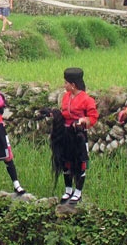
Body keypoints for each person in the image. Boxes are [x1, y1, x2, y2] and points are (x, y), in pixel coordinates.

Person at [51, 68, 99, 205]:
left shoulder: (87, 100)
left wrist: (83, 120)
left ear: (73, 85)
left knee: (80, 163)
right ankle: (68, 190)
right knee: (65, 162)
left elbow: (93, 117)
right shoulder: (66, 97)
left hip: (78, 136)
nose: (64, 85)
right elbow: (64, 114)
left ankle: (78, 192)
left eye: (66, 83)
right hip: (66, 135)